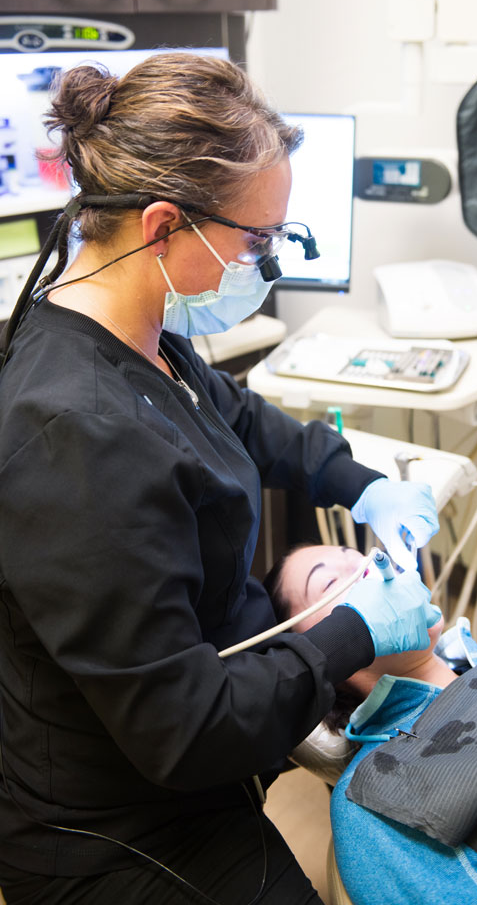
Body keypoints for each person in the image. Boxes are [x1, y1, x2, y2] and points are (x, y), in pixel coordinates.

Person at [0, 52, 442, 905]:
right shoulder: (74, 435)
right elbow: (185, 729)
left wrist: (358, 482)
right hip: (113, 833)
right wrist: (355, 631)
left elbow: (234, 417)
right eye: (255, 240)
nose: (264, 261)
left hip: (194, 765)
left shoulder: (138, 329)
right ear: (163, 225)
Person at [264, 543, 477, 905]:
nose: (367, 562)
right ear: (319, 658)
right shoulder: (369, 807)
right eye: (330, 583)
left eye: (351, 551)